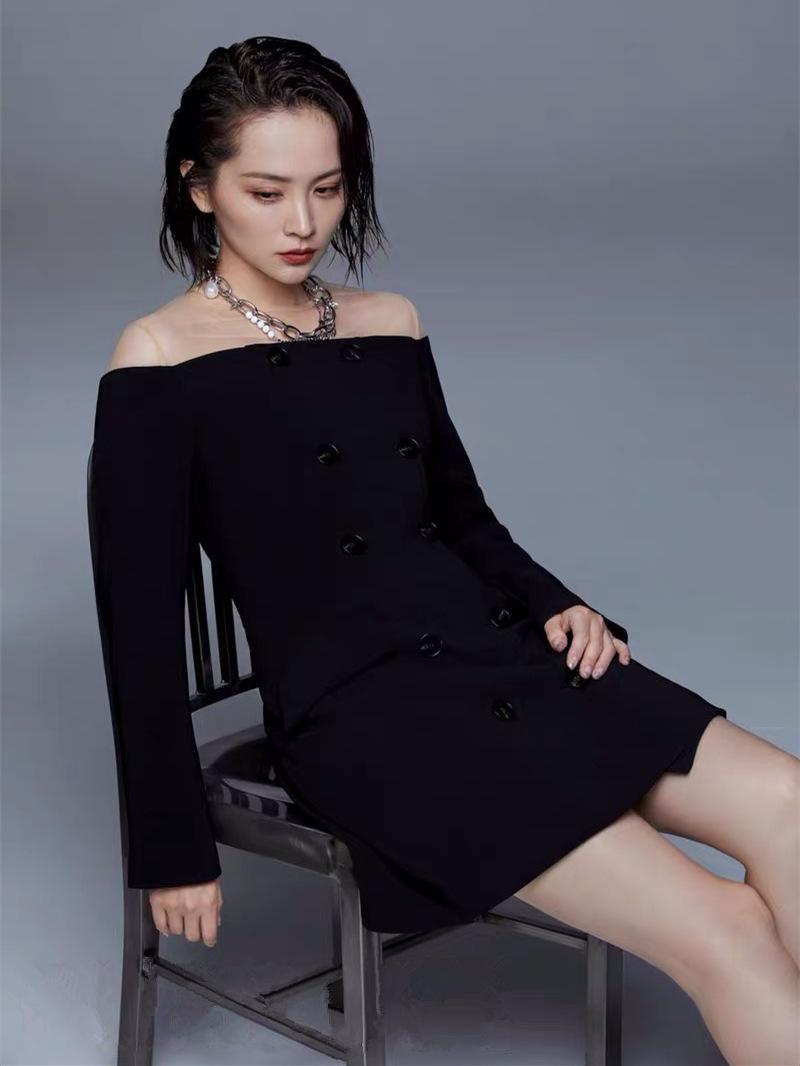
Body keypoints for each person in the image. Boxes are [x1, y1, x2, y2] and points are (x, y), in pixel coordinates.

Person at [90, 36, 799, 1064]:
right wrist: (171, 846)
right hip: (372, 718)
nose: (302, 224)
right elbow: (140, 627)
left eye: (327, 188)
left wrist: (556, 602)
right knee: (723, 927)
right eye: (266, 192)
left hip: (497, 653)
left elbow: (461, 517)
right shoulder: (158, 359)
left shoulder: (390, 320)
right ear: (198, 188)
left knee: (789, 802)